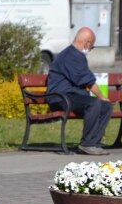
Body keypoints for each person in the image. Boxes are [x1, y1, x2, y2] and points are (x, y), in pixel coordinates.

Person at [46, 27, 113, 156]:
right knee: (94, 103)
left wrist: (103, 100)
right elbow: (87, 81)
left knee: (106, 107)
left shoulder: (75, 54)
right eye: (91, 47)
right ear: (87, 43)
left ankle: (94, 143)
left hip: (72, 96)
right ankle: (87, 144)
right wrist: (101, 96)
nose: (90, 50)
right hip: (60, 97)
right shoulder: (72, 55)